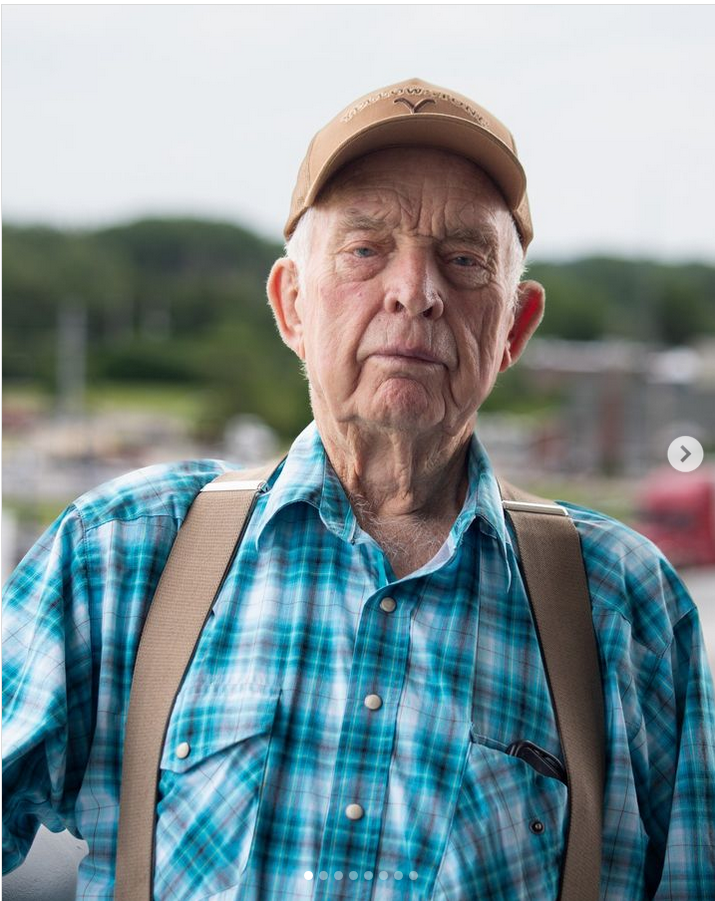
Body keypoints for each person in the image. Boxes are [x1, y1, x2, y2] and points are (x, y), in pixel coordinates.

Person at [3, 77, 714, 900]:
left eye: (464, 258)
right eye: (365, 249)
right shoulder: (116, 554)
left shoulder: (624, 604)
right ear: (291, 305)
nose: (415, 291)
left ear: (513, 327)